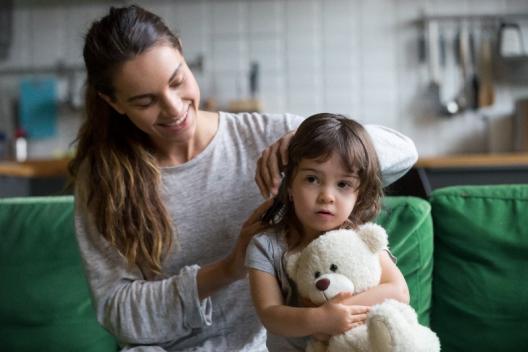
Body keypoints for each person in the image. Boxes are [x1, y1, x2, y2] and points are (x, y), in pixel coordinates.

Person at [68, 5, 417, 352]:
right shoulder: (103, 180)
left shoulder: (267, 137)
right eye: (145, 101)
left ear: (184, 56)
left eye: (177, 81)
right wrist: (227, 269)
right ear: (113, 102)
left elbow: (403, 151)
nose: (174, 108)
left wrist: (300, 140)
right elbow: (118, 311)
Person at [245, 113, 410, 351]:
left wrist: (336, 315)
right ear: (289, 185)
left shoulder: (360, 238)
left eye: (343, 184)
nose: (327, 196)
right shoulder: (265, 245)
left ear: (359, 194)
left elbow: (398, 291)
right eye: (312, 179)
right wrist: (319, 319)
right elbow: (270, 314)